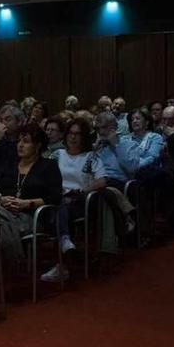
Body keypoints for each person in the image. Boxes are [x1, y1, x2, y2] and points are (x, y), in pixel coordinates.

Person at [42, 119, 131, 282]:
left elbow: (102, 180)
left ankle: (62, 260)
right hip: (58, 197)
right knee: (57, 203)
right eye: (70, 133)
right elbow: (46, 178)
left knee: (62, 208)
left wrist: (82, 190)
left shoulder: (90, 157)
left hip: (81, 200)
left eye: (77, 134)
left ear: (83, 137)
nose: (73, 137)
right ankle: (65, 242)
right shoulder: (57, 155)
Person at [0, 124, 62, 305]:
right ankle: (15, 265)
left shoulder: (48, 166)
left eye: (26, 141)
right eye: (19, 141)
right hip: (4, 212)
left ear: (38, 146)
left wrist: (27, 203)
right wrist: (0, 198)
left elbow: (55, 197)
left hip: (32, 216)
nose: (20, 145)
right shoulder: (9, 164)